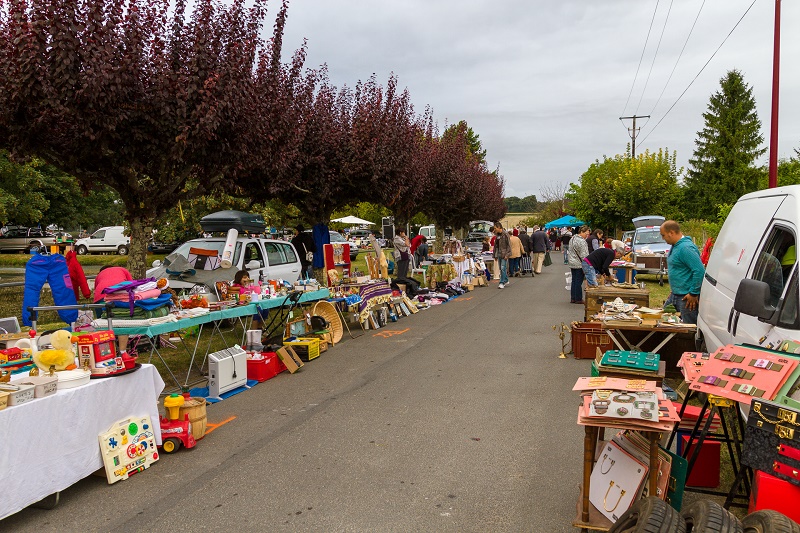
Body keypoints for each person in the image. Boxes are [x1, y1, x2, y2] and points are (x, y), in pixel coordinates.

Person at [660, 220, 705, 324]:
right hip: (675, 295)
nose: (663, 238)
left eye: (663, 235)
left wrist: (693, 293)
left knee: (688, 326)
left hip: (686, 297)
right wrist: (674, 290)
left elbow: (699, 271)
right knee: (664, 321)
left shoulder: (685, 248)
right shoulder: (676, 246)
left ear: (671, 233)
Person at [567, 226, 591, 304]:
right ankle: (578, 298)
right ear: (582, 232)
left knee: (574, 280)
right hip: (579, 263)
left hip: (572, 262)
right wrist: (587, 264)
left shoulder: (572, 239)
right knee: (578, 281)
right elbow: (584, 255)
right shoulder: (582, 241)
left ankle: (573, 298)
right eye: (586, 234)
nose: (587, 235)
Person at [492, 222, 511, 289]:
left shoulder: (506, 234)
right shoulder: (497, 235)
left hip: (504, 254)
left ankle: (501, 282)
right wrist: (495, 255)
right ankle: (506, 280)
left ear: (499, 227)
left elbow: (509, 245)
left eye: (495, 228)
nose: (494, 230)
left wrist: (507, 255)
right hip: (499, 253)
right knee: (501, 268)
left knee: (503, 268)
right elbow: (495, 246)